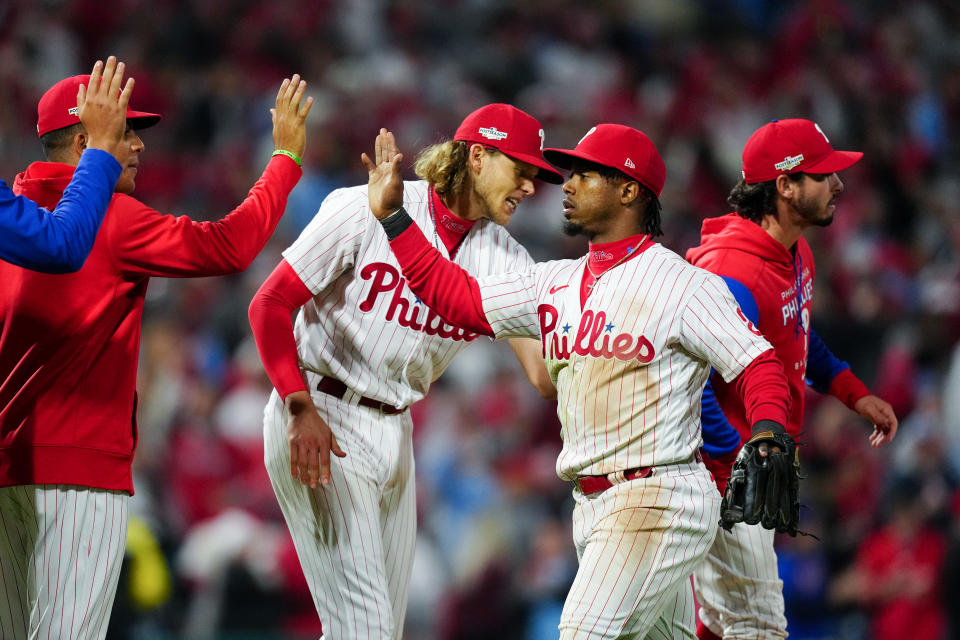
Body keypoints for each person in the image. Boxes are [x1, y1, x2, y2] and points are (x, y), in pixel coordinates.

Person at [364, 122, 793, 639]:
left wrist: (768, 428)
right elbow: (455, 295)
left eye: (586, 175)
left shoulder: (683, 286)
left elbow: (758, 362)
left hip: (656, 497)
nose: (566, 185)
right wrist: (393, 218)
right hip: (593, 507)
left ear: (629, 189)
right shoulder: (555, 282)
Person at [0, 72, 313, 639]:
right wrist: (285, 159)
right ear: (84, 142)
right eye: (125, 131)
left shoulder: (12, 215)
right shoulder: (113, 220)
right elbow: (229, 244)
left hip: (8, 470)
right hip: (81, 474)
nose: (140, 145)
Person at [248, 103, 562, 640]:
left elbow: (542, 372)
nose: (532, 187)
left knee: (377, 631)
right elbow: (270, 303)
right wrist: (297, 406)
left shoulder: (506, 259)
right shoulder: (366, 206)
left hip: (396, 429)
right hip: (322, 412)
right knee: (363, 630)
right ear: (479, 156)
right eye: (523, 170)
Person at [685, 118, 899, 640]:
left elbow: (797, 332)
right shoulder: (731, 272)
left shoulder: (793, 250)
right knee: (758, 626)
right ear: (784, 185)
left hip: (753, 465)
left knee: (719, 621)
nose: (839, 185)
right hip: (722, 474)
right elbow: (691, 381)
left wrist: (854, 392)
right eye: (824, 174)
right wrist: (737, 459)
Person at [0, 56, 132, 273]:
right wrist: (100, 143)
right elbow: (62, 246)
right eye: (124, 133)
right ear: (82, 142)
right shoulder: (122, 215)